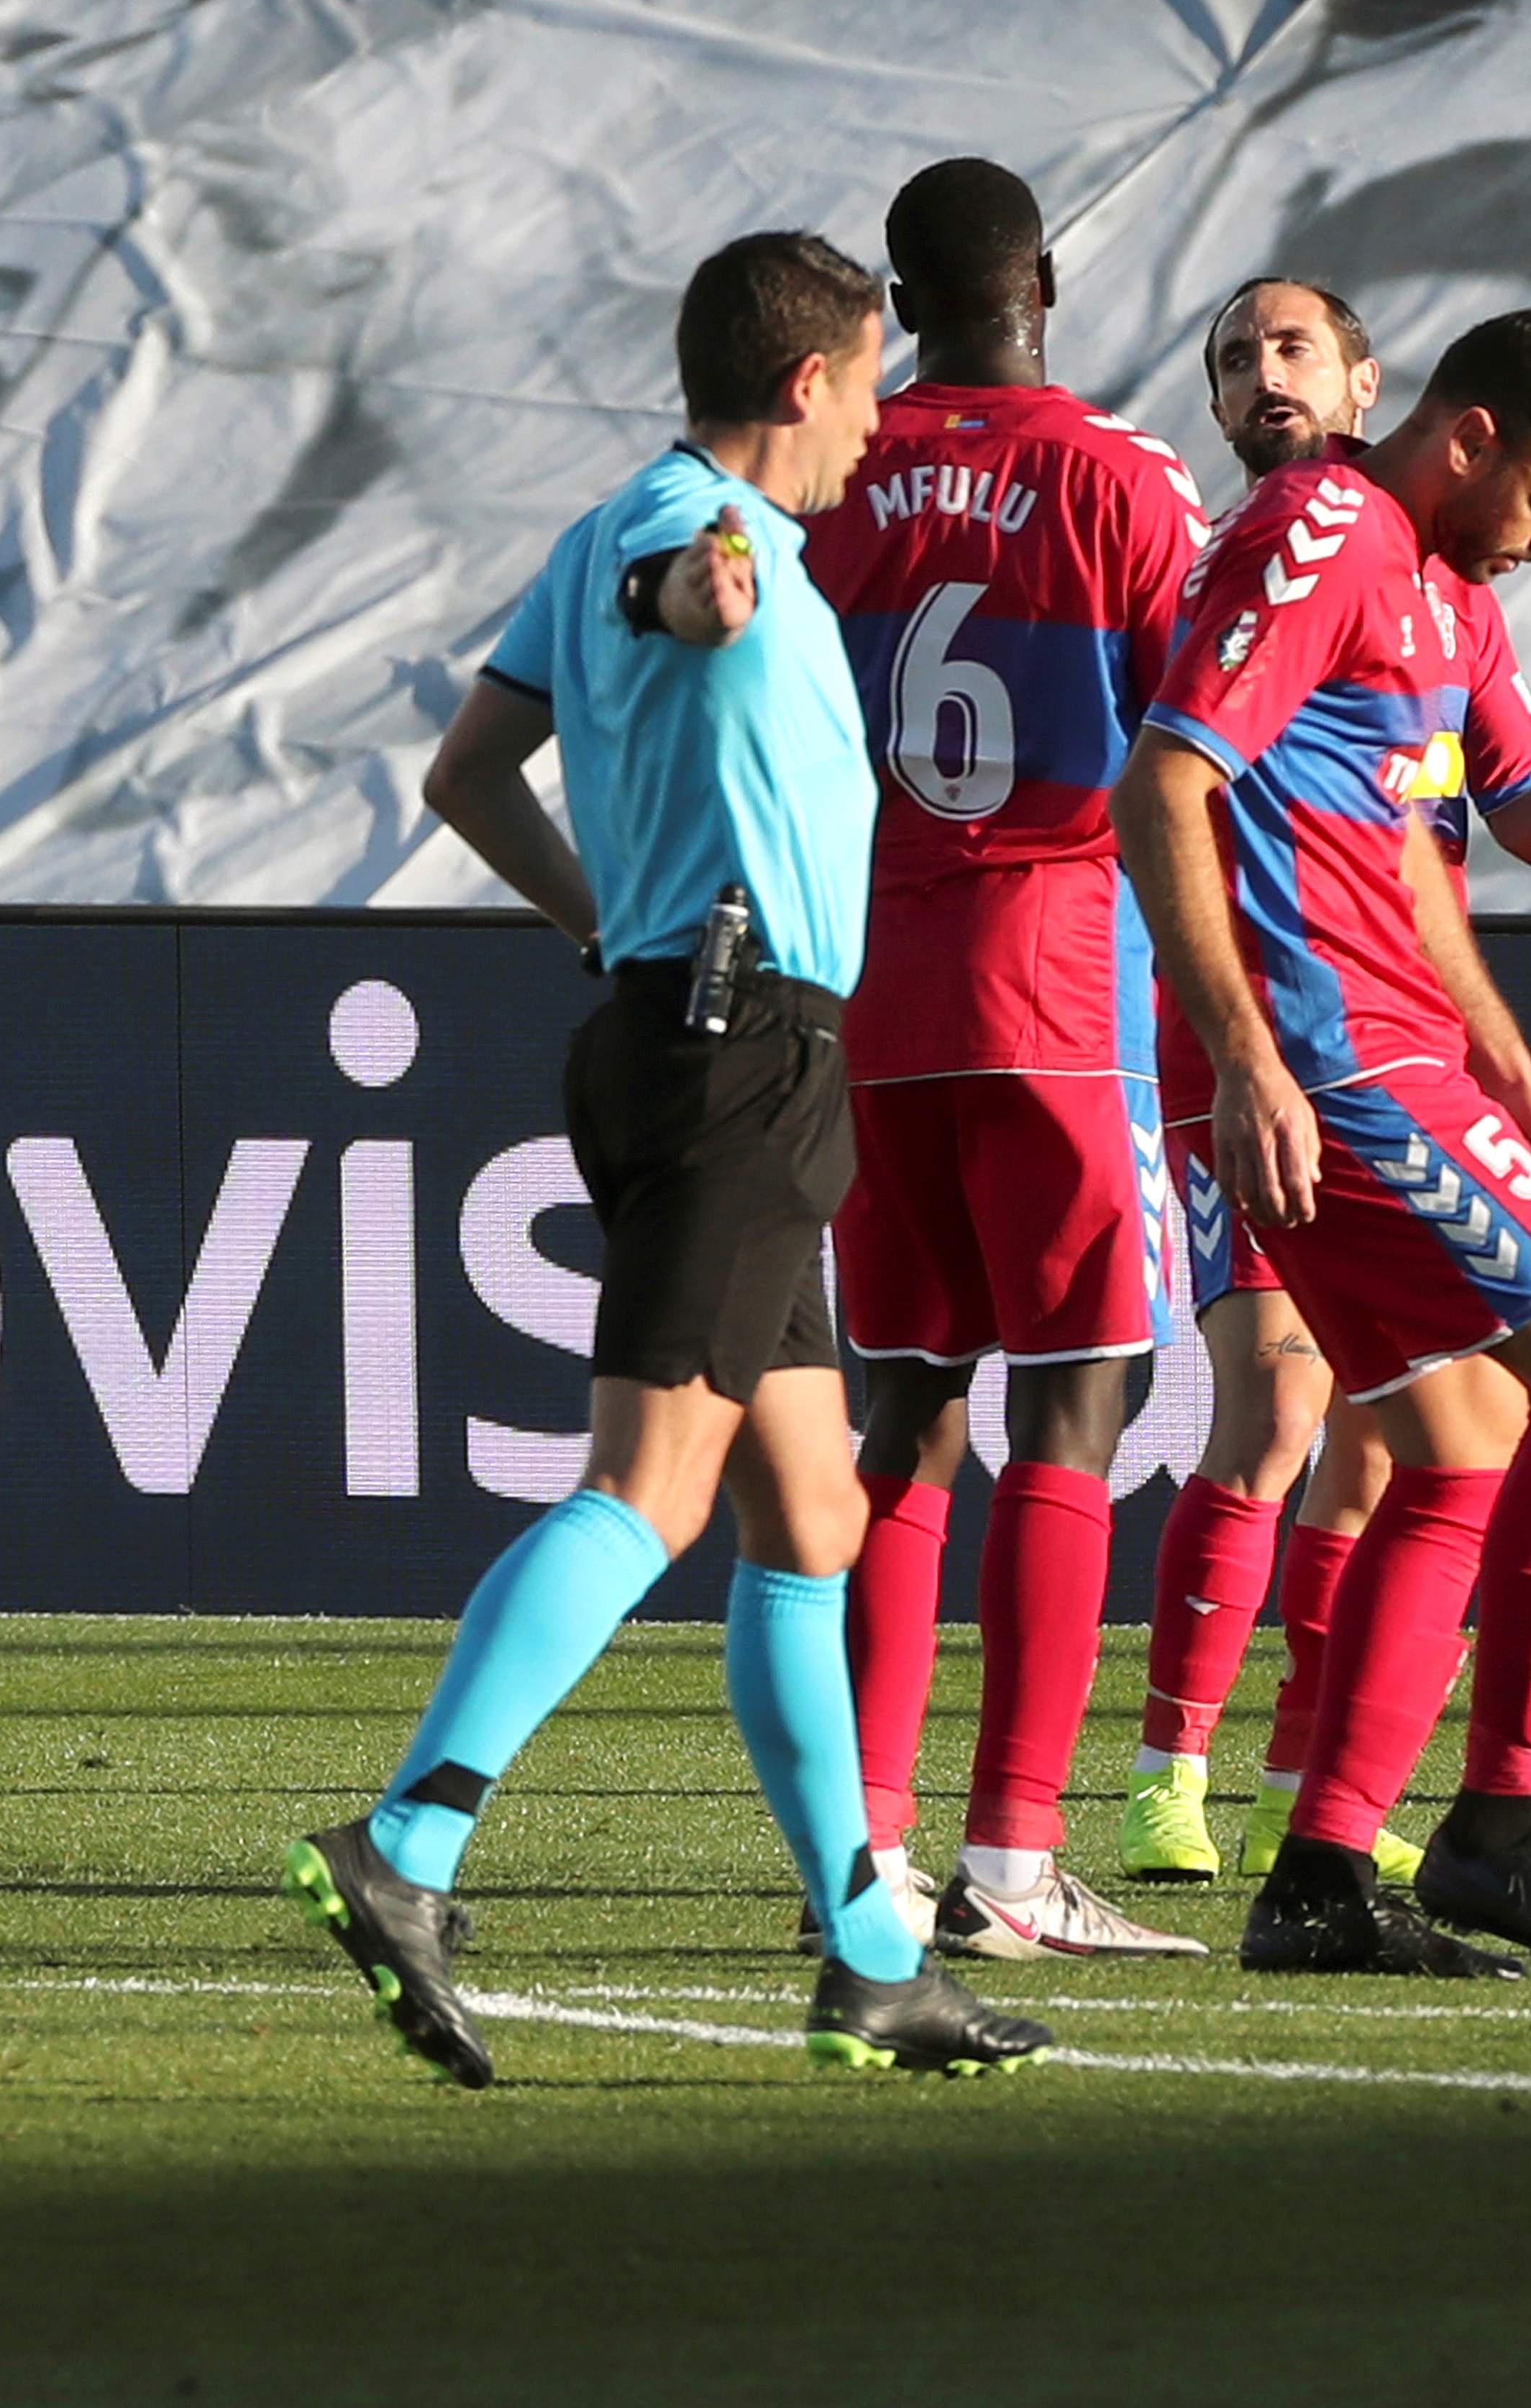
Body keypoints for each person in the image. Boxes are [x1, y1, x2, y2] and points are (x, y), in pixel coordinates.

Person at [283, 230, 1054, 2083]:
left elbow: (468, 773)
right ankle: (407, 1846)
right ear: (808, 381)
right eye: (869, 382)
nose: (879, 422)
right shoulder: (685, 524)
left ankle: (872, 1952)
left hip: (700, 1036)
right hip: (737, 1057)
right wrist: (704, 593)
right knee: (652, 1490)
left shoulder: (655, 532)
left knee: (818, 1511)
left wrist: (605, 923)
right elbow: (679, 596)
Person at [1118, 280, 1531, 1891]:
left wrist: (1522, 1075)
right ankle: (1474, 1823)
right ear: (1466, 434)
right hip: (1330, 1062)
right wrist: (1251, 1055)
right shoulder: (1323, 533)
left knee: (1457, 1439)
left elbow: (1421, 860)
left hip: (1384, 1048)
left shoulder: (1416, 578)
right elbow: (1164, 782)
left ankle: (1330, 1859)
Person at [792, 158, 1210, 1962]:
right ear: (1039, 276)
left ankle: (869, 1851)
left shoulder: (833, 475)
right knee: (1074, 1407)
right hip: (1051, 981)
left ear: (899, 292)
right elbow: (1201, 738)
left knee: (903, 1411)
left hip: (868, 987)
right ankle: (1016, 1861)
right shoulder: (1124, 476)